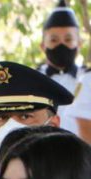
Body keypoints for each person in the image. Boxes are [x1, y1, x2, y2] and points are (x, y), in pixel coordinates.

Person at [38, 0, 91, 141]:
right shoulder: (31, 80)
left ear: (79, 44)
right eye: (54, 40)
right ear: (43, 45)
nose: (61, 45)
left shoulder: (88, 80)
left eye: (68, 40)